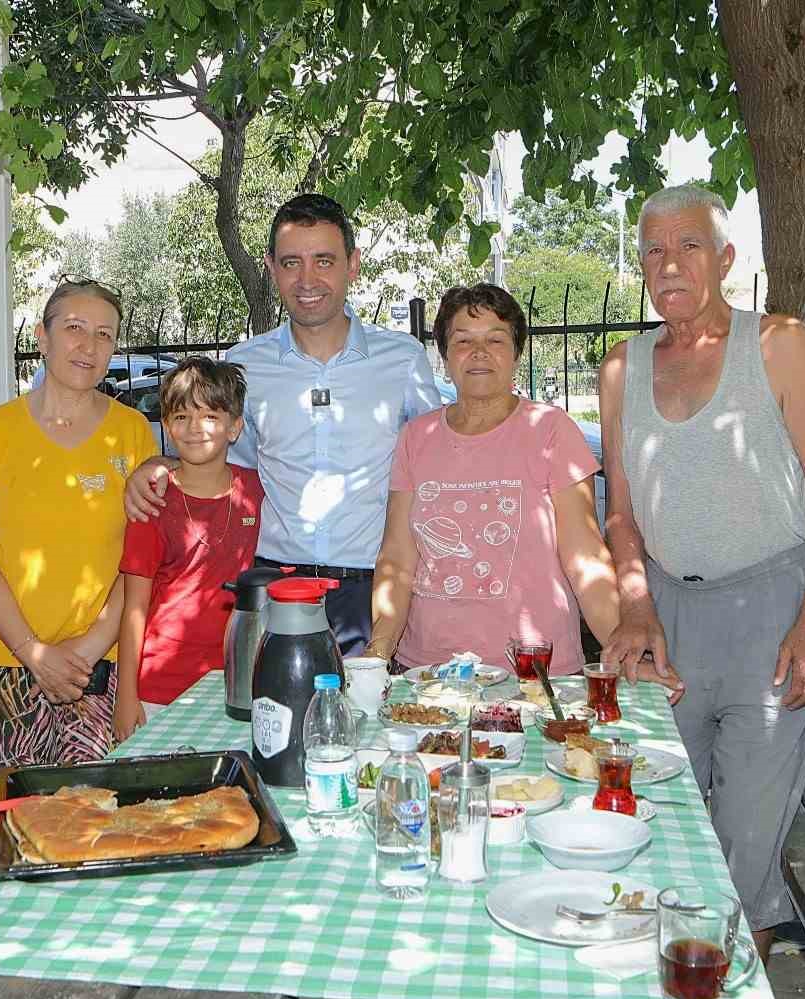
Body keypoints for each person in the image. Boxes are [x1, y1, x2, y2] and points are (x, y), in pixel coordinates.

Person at [599, 184, 805, 959]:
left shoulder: (779, 342)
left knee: (745, 846)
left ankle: (736, 991)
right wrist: (636, 607)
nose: (669, 263)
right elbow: (622, 515)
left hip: (771, 616)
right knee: (656, 819)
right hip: (669, 622)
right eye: (653, 250)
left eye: (689, 245)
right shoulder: (620, 366)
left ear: (727, 258)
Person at [125, 194, 443, 654]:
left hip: (373, 592)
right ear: (271, 267)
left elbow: (436, 468)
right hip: (274, 586)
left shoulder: (403, 360)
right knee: (273, 724)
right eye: (292, 262)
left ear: (353, 265)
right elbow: (222, 465)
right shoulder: (245, 366)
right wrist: (160, 464)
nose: (307, 279)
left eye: (324, 261)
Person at [364, 285, 682, 702]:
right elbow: (397, 558)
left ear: (516, 354)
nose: (479, 352)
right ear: (444, 357)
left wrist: (624, 651)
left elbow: (584, 554)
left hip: (534, 676)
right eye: (463, 341)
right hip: (428, 677)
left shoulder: (550, 431)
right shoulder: (415, 438)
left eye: (495, 339)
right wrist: (376, 655)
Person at [0, 278, 158, 772]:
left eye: (105, 335)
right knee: (25, 816)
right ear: (42, 339)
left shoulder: (132, 432)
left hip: (96, 661)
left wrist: (84, 651)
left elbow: (141, 561)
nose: (88, 346)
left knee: (90, 810)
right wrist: (34, 653)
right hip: (3, 657)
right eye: (74, 328)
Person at [115, 357, 263, 740]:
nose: (196, 429)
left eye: (210, 416)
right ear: (166, 426)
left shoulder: (257, 491)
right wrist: (126, 697)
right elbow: (134, 608)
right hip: (160, 686)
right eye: (181, 417)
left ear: (235, 427)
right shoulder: (152, 503)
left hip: (236, 682)